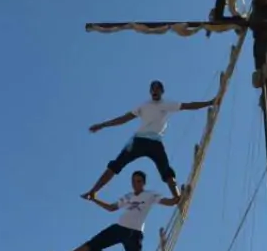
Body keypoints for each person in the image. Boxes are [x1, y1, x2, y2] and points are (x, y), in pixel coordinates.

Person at [82, 79, 217, 201]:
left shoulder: (167, 104)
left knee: (166, 170)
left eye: (157, 89)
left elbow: (188, 106)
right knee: (116, 164)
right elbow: (123, 119)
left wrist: (210, 102)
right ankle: (93, 191)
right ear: (150, 92)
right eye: (152, 89)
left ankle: (177, 197)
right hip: (138, 141)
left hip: (155, 142)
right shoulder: (143, 105)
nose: (155, 91)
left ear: (162, 91)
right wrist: (102, 125)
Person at [58, 170, 181, 251]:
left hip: (134, 233)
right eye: (133, 181)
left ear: (143, 183)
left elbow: (169, 202)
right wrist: (94, 199)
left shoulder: (150, 195)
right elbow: (111, 208)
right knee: (91, 245)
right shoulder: (128, 196)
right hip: (119, 229)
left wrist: (177, 196)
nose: (135, 184)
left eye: (138, 181)